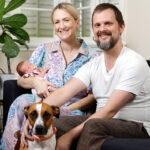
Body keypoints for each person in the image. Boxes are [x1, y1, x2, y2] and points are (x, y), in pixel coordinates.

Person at [21, 3, 150, 150]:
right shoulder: (94, 64)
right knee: (55, 124)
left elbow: (110, 110)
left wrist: (69, 136)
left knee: (92, 126)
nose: (102, 29)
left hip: (136, 126)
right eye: (97, 25)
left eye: (108, 23)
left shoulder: (133, 62)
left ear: (121, 27)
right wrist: (31, 119)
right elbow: (64, 92)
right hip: (104, 122)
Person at [1, 2, 99, 150]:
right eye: (57, 22)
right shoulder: (44, 50)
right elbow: (20, 80)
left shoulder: (93, 57)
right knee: (22, 101)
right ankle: (12, 146)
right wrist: (35, 82)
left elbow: (93, 96)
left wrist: (69, 108)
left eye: (66, 20)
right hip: (40, 104)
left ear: (77, 22)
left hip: (72, 109)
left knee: (47, 116)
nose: (62, 26)